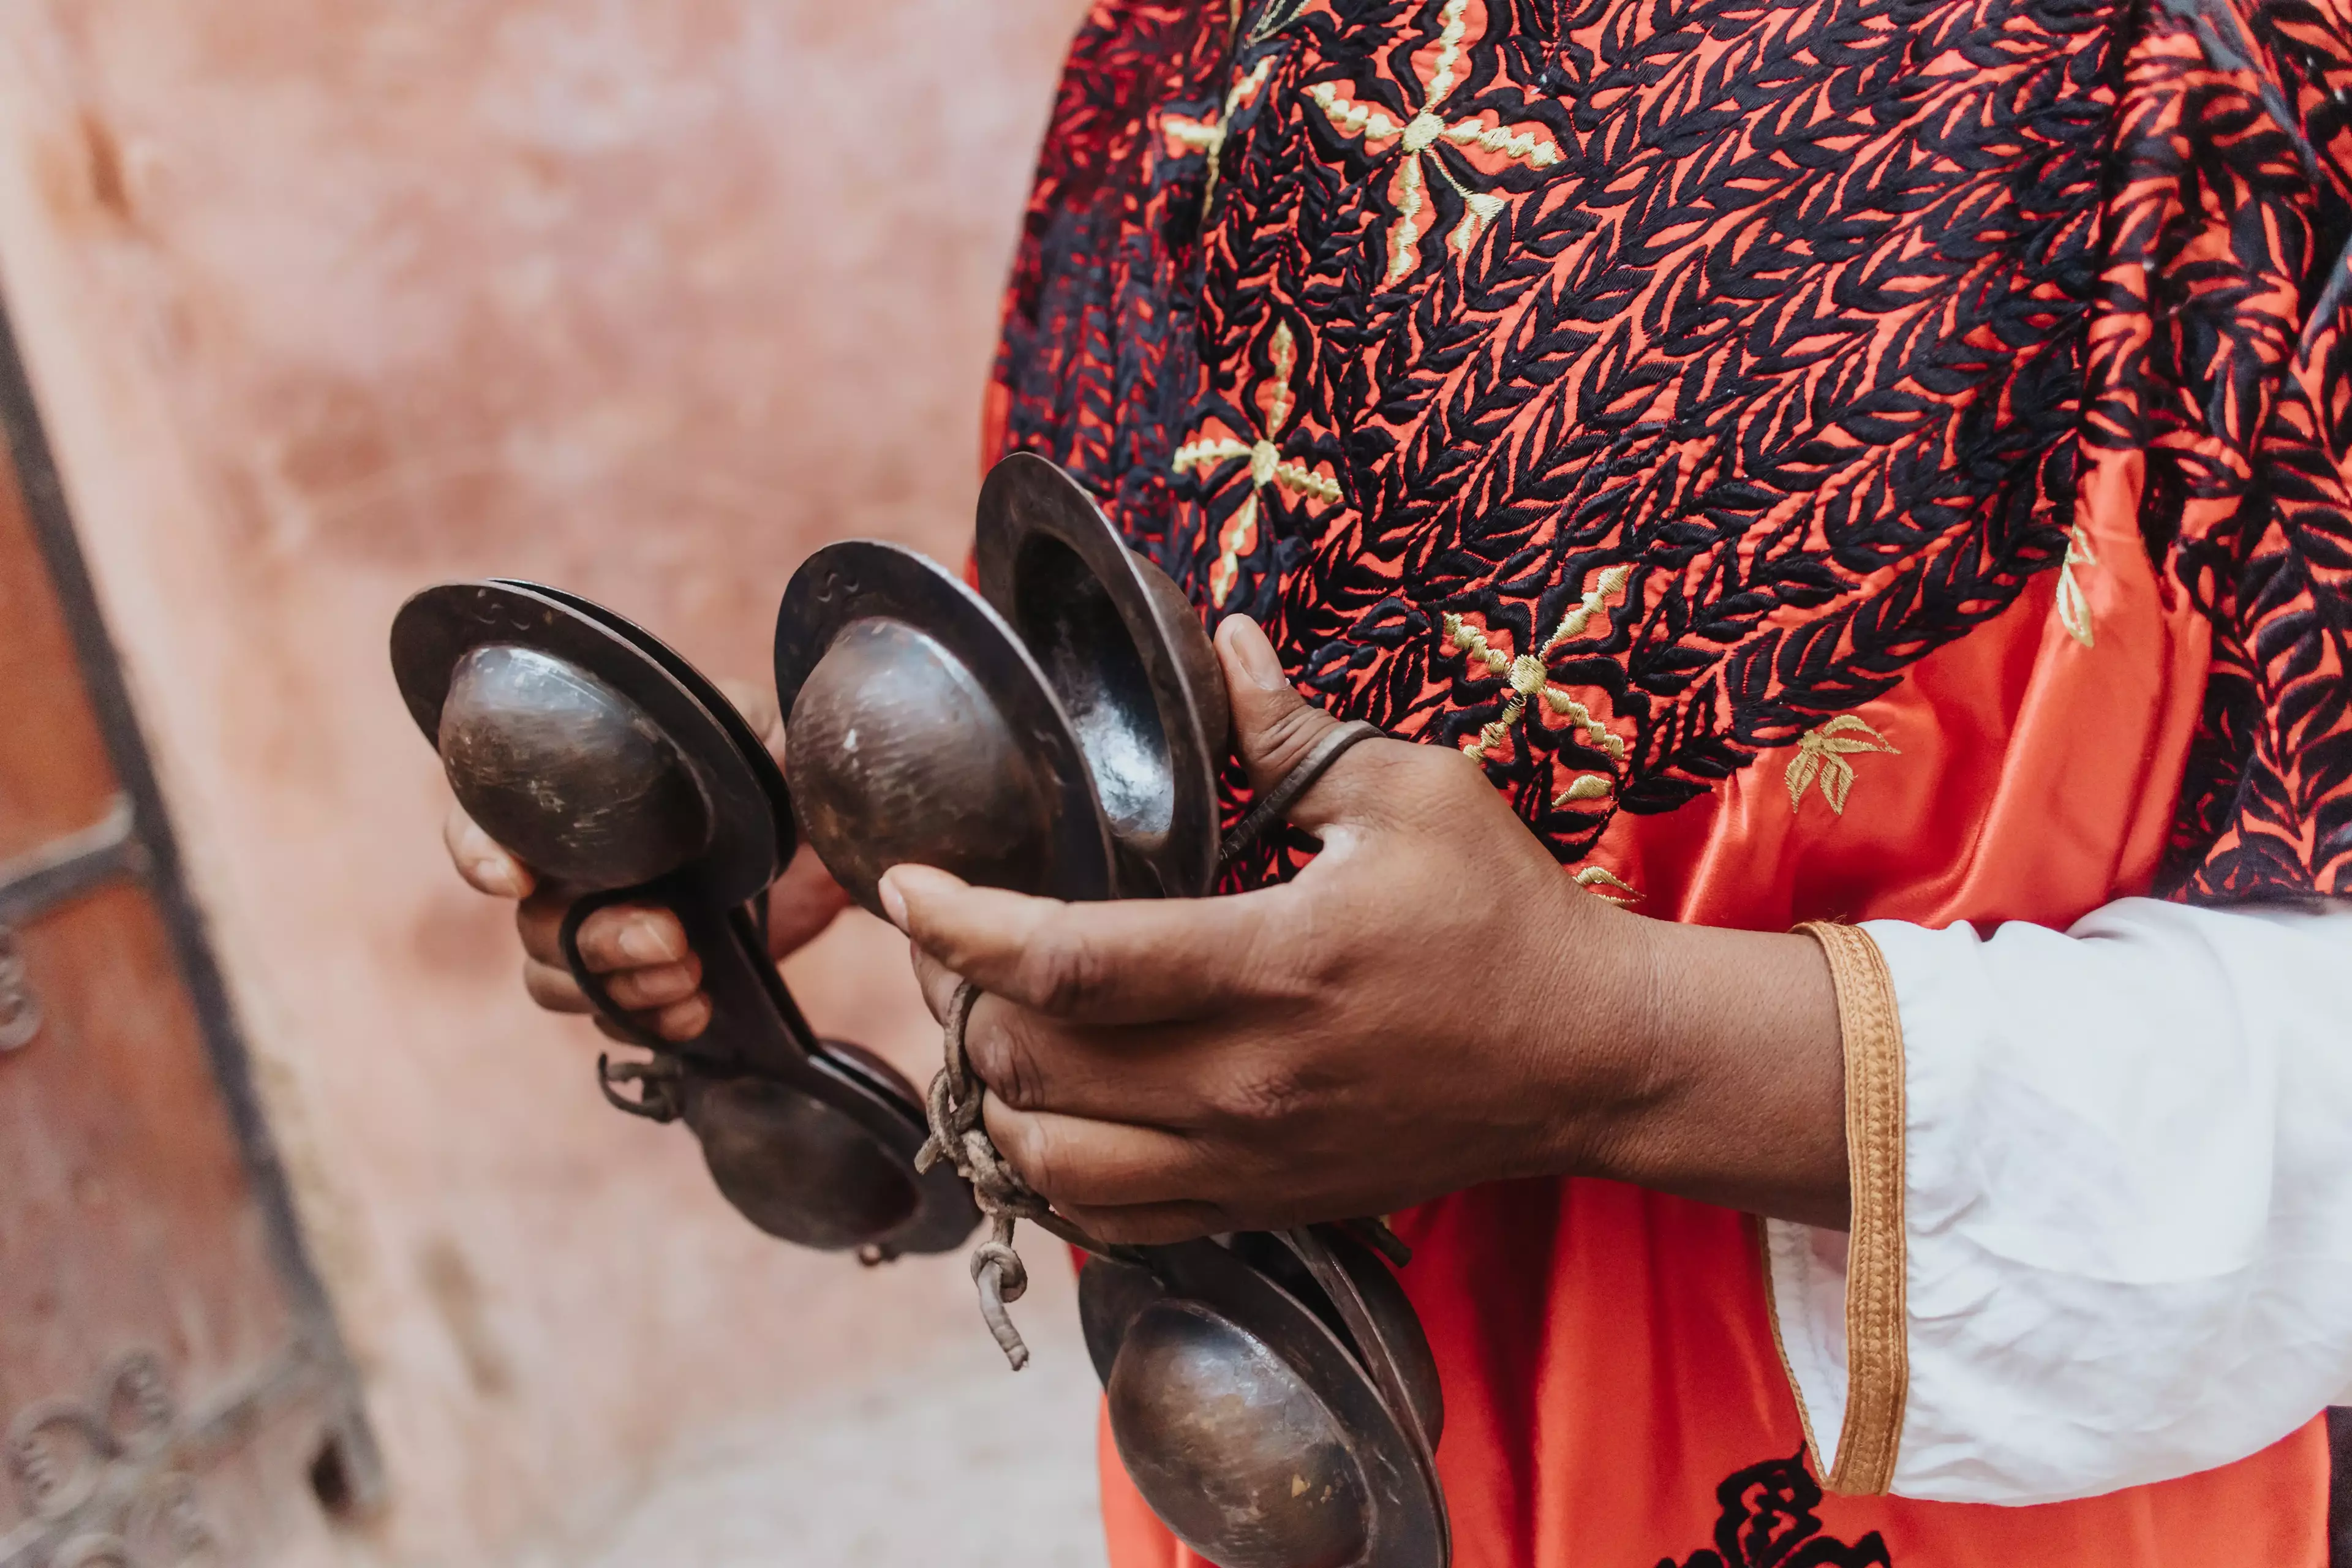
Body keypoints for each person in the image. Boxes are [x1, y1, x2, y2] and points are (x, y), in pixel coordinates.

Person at [444, 0, 2352, 1562]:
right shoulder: (1174, 37)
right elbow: (1240, 609)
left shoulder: (2235, 65)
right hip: (1299, 1440)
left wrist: (1631, 1044)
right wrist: (899, 802)